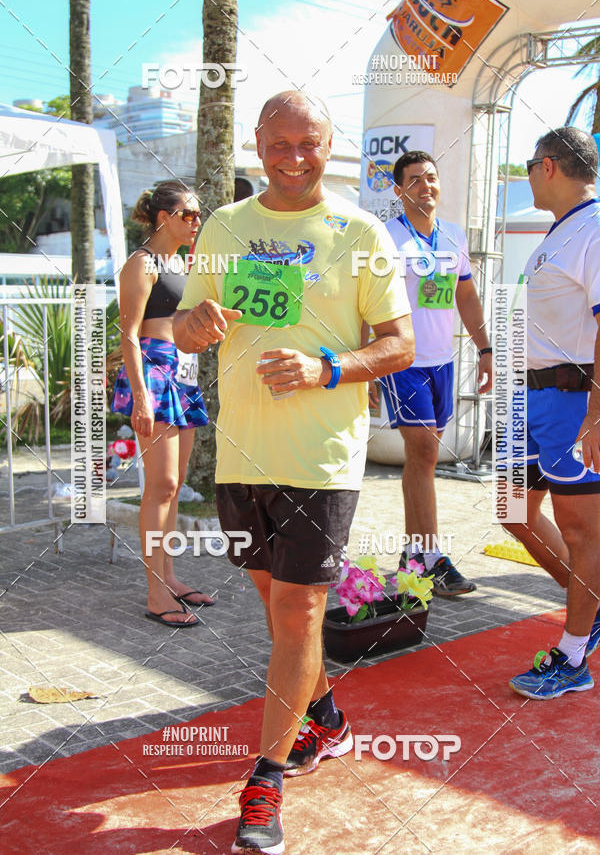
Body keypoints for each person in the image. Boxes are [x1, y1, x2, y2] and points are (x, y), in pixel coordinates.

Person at [173, 90, 414, 855]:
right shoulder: (225, 225)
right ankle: (330, 719)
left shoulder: (359, 230)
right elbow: (183, 327)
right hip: (242, 454)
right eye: (280, 143)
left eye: (308, 143)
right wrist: (194, 325)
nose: (294, 157)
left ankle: (265, 780)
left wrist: (325, 366)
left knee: (299, 618)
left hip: (321, 457)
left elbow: (399, 343)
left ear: (328, 143)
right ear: (257, 144)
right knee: (277, 608)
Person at [502, 127, 600, 699]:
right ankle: (590, 609)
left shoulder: (592, 228)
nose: (528, 176)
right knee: (512, 508)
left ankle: (571, 656)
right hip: (534, 397)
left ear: (549, 167)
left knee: (583, 531)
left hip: (573, 402)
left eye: (531, 166)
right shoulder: (560, 232)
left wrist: (595, 412)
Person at [375, 151, 492, 595]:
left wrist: (485, 348)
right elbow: (369, 304)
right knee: (423, 450)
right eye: (416, 180)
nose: (426, 185)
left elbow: (467, 298)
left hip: (444, 361)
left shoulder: (454, 236)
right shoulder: (386, 237)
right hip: (404, 361)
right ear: (399, 190)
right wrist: (369, 365)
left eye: (432, 177)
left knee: (424, 457)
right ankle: (432, 558)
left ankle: (413, 554)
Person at [111, 180, 214, 628]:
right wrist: (139, 397)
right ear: (163, 217)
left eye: (198, 215)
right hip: (154, 369)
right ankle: (155, 593)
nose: (196, 222)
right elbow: (129, 334)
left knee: (174, 486)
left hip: (184, 370)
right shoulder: (141, 263)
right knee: (162, 483)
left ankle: (170, 577)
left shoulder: (182, 263)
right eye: (188, 214)